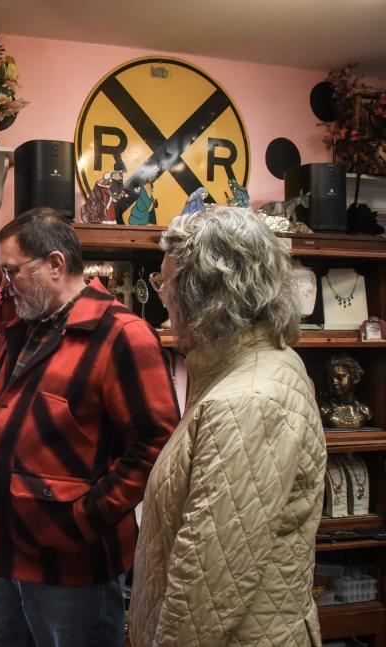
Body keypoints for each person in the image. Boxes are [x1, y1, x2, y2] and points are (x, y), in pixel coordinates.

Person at [0, 207, 180, 647]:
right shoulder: (25, 330)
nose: (4, 288)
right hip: (7, 557)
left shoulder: (124, 333)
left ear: (54, 264)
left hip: (72, 568)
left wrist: (85, 521)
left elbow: (157, 445)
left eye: (10, 273)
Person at [129, 206, 326, 646]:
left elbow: (206, 588)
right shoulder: (246, 370)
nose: (162, 295)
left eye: (166, 282)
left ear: (204, 293)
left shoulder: (247, 401)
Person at [317, 353, 372, 428]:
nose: (334, 382)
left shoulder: (365, 411)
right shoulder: (325, 411)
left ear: (355, 378)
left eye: (340, 377)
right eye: (330, 378)